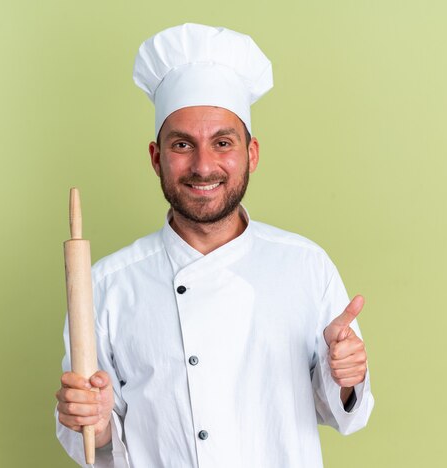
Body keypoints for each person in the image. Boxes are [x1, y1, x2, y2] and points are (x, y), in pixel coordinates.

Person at [55, 23, 374, 468]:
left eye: (222, 143)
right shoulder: (106, 285)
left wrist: (347, 377)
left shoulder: (306, 266)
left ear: (252, 154)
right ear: (156, 157)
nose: (203, 166)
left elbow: (344, 414)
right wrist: (95, 419)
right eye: (183, 144)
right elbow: (98, 447)